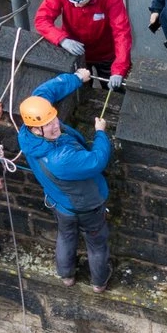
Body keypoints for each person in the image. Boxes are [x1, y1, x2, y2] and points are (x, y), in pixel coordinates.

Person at [17, 69, 114, 290]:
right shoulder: (59, 159)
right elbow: (97, 160)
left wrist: (77, 78)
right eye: (49, 124)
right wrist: (100, 133)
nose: (56, 126)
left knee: (66, 235)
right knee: (97, 243)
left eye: (54, 118)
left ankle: (67, 276)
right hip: (87, 205)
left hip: (61, 203)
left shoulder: (27, 133)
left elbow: (45, 92)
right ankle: (99, 281)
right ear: (35, 128)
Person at [34, 0, 133, 84]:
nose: (76, 5)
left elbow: (121, 32)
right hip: (74, 52)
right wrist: (62, 39)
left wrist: (119, 69)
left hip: (106, 55)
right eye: (73, 2)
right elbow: (42, 19)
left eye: (80, 2)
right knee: (79, 90)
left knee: (115, 90)